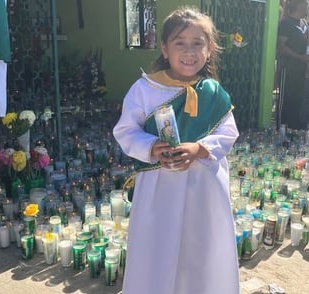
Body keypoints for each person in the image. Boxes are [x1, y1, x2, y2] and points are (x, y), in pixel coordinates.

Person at [113, 7, 240, 294]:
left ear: (209, 50)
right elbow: (125, 131)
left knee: (200, 246)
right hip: (160, 188)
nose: (189, 51)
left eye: (198, 43)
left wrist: (200, 148)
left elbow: (228, 132)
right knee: (159, 247)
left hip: (204, 187)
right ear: (165, 48)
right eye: (180, 43)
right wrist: (151, 147)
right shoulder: (144, 89)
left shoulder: (214, 92)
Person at [276, 0, 309, 130]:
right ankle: (282, 130)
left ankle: (297, 130)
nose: (308, 7)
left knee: (299, 101)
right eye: (306, 4)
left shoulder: (304, 24)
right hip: (287, 69)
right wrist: (299, 57)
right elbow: (281, 47)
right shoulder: (285, 23)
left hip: (301, 71)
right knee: (287, 101)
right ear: (299, 5)